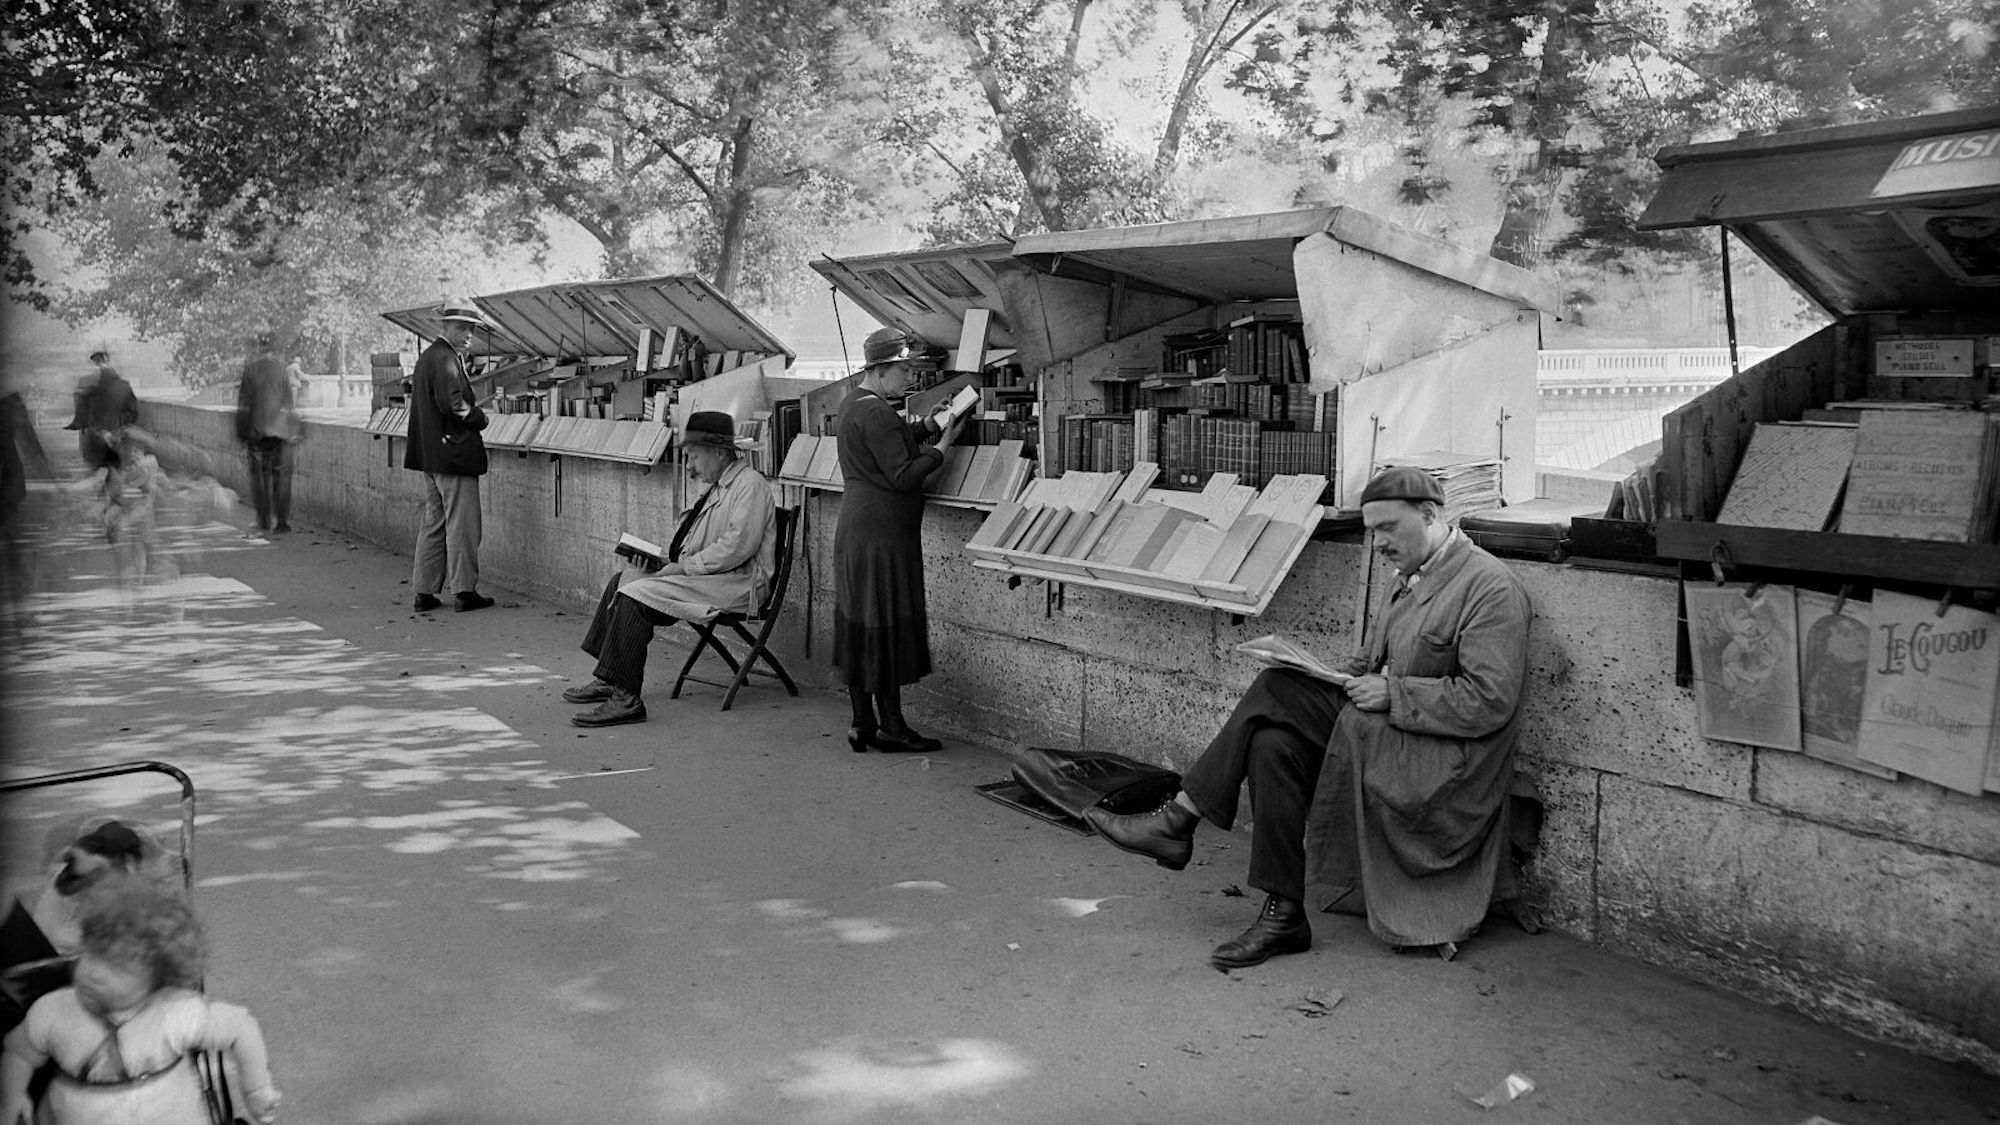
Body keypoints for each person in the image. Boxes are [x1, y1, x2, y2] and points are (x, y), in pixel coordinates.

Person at [1085, 466, 1533, 969]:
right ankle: (1284, 916)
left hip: (1442, 761)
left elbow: (1490, 702)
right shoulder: (1408, 577)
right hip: (1394, 734)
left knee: (1276, 691)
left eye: (1388, 528)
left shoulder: (1491, 588)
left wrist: (1394, 691)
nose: (1378, 543)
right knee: (1271, 743)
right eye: (1371, 532)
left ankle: (1179, 818)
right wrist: (1320, 672)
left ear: (1430, 515)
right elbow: (1367, 663)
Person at [0, 879, 280, 1125]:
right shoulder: (53, 1009)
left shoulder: (174, 1010)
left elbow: (240, 1029)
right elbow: (19, 1051)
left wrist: (256, 1089)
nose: (96, 972)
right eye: (93, 954)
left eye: (119, 967)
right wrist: (12, 1097)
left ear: (158, 978)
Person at [565, 412, 775, 727]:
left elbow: (736, 547)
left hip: (738, 585)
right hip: (711, 577)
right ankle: (610, 677)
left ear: (718, 452)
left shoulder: (749, 485)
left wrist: (682, 569)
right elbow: (700, 545)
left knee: (634, 596)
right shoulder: (719, 486)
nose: (689, 467)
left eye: (694, 457)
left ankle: (626, 698)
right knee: (621, 580)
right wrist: (663, 562)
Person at [832, 327, 964, 754]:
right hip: (883, 535)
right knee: (884, 626)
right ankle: (892, 726)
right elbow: (903, 475)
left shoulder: (856, 402)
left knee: (862, 624)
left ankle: (861, 722)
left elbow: (888, 444)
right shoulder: (877, 413)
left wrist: (926, 425)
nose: (911, 377)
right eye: (905, 369)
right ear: (882, 369)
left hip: (859, 528)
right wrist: (942, 446)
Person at [405, 300, 494, 613]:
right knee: (463, 524)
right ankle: (464, 591)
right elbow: (452, 404)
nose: (468, 334)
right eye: (461, 327)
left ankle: (424, 591)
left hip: (431, 456)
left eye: (471, 328)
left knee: (434, 522)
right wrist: (479, 417)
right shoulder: (444, 358)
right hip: (452, 455)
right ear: (443, 327)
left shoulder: (429, 356)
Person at [235, 332, 298, 535]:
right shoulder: (281, 370)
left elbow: (244, 404)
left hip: (256, 432)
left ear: (258, 348)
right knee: (281, 477)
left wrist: (241, 431)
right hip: (279, 432)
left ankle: (263, 519)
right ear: (274, 349)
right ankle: (282, 522)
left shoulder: (250, 370)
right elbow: (289, 404)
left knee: (259, 476)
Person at [65, 352, 139, 473]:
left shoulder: (88, 387)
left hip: (100, 438)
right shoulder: (123, 386)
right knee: (115, 471)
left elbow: (81, 413)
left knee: (100, 471)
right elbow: (133, 412)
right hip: (112, 437)